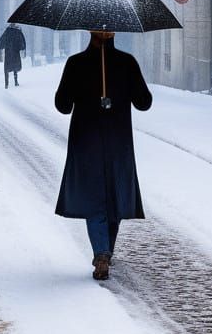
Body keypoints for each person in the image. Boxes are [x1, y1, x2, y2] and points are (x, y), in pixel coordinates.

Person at [54, 30, 152, 281]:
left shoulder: (76, 63)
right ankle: (103, 251)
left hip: (86, 139)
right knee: (112, 196)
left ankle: (102, 252)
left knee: (96, 197)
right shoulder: (126, 62)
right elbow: (144, 101)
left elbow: (63, 105)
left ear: (90, 32)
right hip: (117, 140)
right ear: (113, 33)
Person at [0, 23, 27, 89]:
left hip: (8, 53)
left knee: (7, 68)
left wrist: (3, 46)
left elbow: (0, 43)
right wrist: (20, 47)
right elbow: (22, 45)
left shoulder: (7, 32)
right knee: (15, 68)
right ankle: (15, 81)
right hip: (15, 52)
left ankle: (6, 84)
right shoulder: (18, 32)